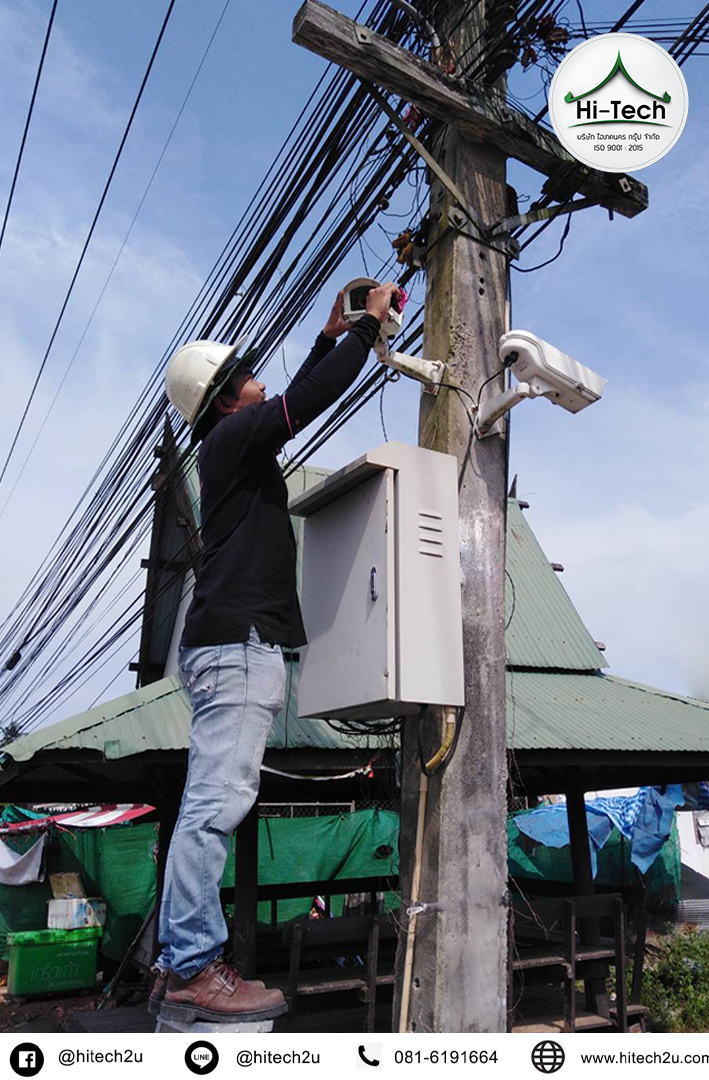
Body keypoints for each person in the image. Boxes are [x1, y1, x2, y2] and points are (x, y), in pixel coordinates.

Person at [151, 281, 399, 1025]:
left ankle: (182, 963)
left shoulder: (233, 447)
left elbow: (294, 395)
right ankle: (192, 964)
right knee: (213, 808)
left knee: (211, 805)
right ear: (227, 398)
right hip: (236, 648)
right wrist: (365, 333)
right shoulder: (231, 438)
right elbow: (305, 400)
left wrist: (333, 334)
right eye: (249, 375)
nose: (261, 379)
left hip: (230, 646)